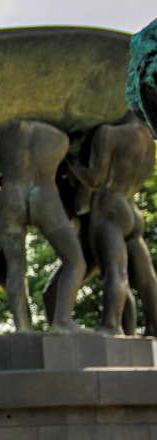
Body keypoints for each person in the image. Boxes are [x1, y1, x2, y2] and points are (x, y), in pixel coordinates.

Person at [66, 112, 157, 335]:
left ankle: (111, 324)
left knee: (115, 271)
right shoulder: (149, 140)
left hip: (108, 208)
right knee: (146, 279)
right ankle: (154, 326)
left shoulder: (109, 133)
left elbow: (95, 179)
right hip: (131, 209)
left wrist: (71, 159)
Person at [0, 119, 86, 331]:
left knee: (15, 267)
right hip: (44, 196)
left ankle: (23, 327)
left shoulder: (7, 131)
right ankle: (62, 321)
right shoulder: (60, 138)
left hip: (11, 195)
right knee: (76, 262)